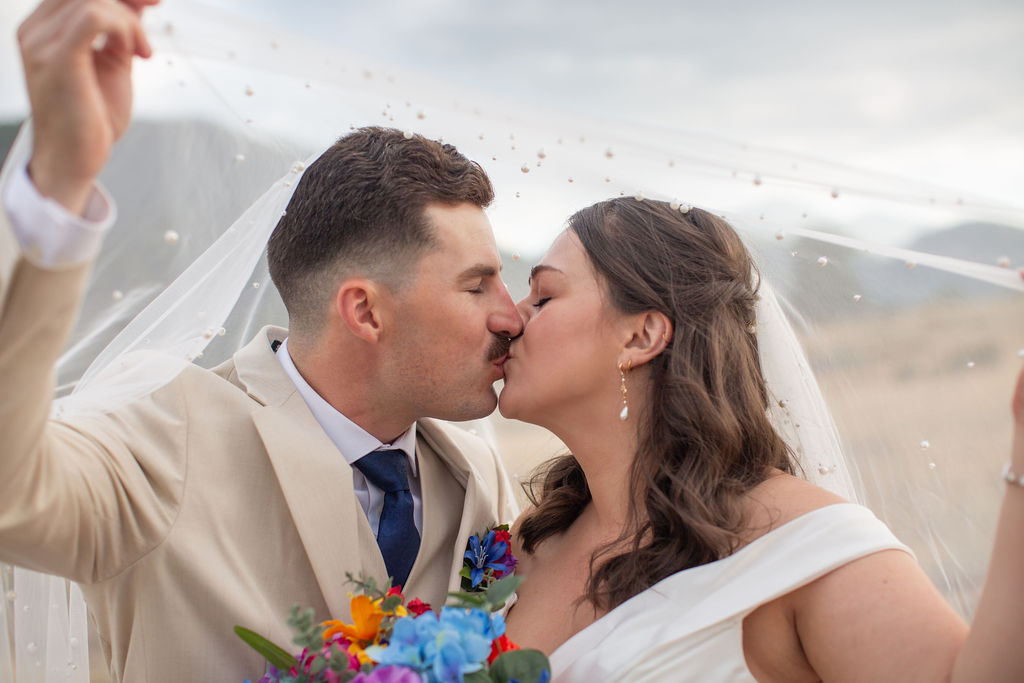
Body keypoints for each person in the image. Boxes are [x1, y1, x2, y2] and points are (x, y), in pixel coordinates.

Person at [0, 0, 521, 681]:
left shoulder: (479, 478)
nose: (511, 315)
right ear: (364, 311)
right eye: (478, 286)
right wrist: (59, 182)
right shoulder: (164, 434)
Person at [499, 197, 1024, 681]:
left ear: (642, 336)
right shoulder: (531, 540)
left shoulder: (801, 546)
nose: (509, 319)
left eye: (542, 297)